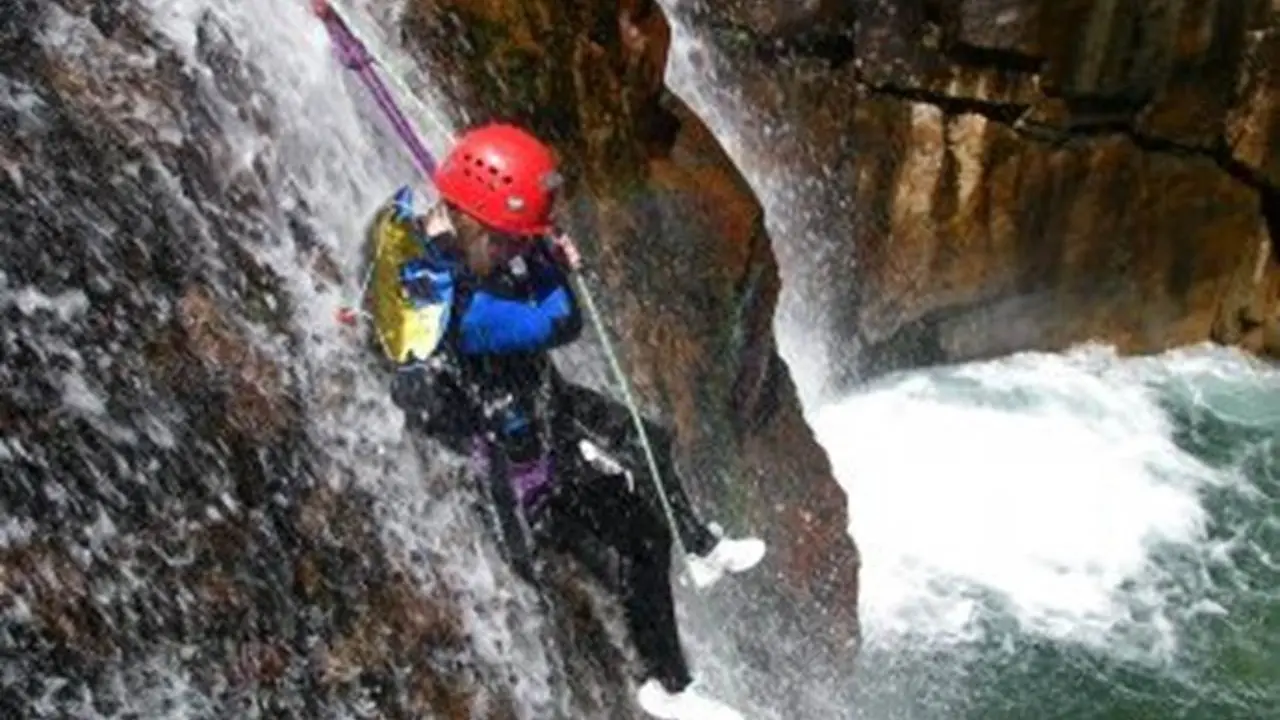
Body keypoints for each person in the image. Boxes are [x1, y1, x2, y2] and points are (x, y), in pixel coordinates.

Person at [373, 123, 762, 719]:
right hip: (520, 458)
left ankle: (700, 550)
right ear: (472, 220)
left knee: (645, 441)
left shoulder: (417, 234)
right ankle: (667, 686)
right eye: (506, 242)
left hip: (524, 402)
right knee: (638, 535)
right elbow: (559, 321)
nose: (515, 252)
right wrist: (554, 269)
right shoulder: (471, 315)